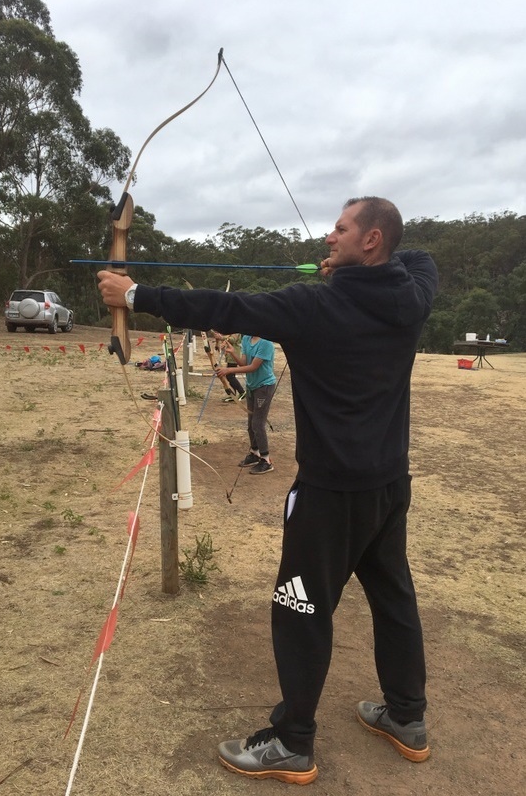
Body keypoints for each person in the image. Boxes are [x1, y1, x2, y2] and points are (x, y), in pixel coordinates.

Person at [98, 196, 438, 785]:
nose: (328, 238)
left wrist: (134, 296)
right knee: (393, 597)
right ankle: (407, 717)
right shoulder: (412, 296)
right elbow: (423, 257)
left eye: (341, 230)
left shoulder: (314, 305)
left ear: (372, 241)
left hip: (331, 493)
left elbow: (224, 306)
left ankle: (292, 743)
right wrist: (356, 267)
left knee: (299, 607)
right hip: (388, 484)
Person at [216, 333, 276, 474]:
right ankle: (254, 453)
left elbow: (253, 367)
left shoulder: (266, 343)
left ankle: (266, 460)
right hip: (252, 386)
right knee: (251, 423)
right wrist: (233, 353)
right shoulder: (247, 339)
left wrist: (229, 370)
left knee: (257, 423)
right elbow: (244, 363)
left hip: (264, 387)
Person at [211, 331, 246, 401]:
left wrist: (221, 337)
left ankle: (242, 391)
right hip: (230, 356)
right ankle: (233, 394)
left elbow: (232, 339)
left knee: (230, 376)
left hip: (234, 356)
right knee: (230, 376)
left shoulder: (236, 332)